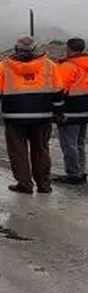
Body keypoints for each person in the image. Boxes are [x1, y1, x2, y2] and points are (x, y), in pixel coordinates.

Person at [0, 36, 65, 194]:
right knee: (41, 151)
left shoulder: (4, 67)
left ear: (16, 49)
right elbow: (58, 93)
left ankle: (24, 184)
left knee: (18, 152)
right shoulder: (49, 66)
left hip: (15, 119)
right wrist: (59, 113)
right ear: (35, 49)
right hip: (42, 118)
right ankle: (44, 185)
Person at [53, 37, 88, 185]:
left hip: (69, 111)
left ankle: (73, 174)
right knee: (79, 143)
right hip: (85, 111)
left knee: (69, 144)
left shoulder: (67, 67)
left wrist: (56, 110)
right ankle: (80, 171)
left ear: (69, 48)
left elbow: (58, 90)